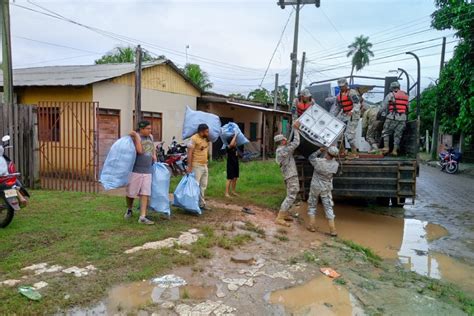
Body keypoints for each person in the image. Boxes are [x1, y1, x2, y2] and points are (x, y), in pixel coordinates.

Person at [124, 120, 157, 225]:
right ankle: (129, 209)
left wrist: (154, 155)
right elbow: (140, 151)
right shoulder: (134, 138)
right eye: (148, 128)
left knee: (145, 193)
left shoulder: (150, 137)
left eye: (150, 128)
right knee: (131, 193)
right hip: (135, 170)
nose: (150, 130)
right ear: (141, 129)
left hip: (147, 170)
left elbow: (152, 147)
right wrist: (137, 137)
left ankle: (142, 217)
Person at [306, 146, 340, 236]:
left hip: (315, 186)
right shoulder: (336, 165)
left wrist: (319, 150)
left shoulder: (319, 161)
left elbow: (310, 158)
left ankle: (312, 226)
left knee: (312, 205)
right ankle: (333, 230)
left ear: (327, 153)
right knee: (328, 207)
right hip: (326, 188)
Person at [274, 122, 300, 227]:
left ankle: (284, 214)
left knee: (291, 194)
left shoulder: (281, 150)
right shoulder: (283, 150)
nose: (287, 140)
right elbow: (296, 142)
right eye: (285, 139)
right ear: (283, 141)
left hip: (289, 175)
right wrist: (296, 129)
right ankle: (280, 217)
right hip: (290, 175)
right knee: (291, 195)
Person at [332, 78, 362, 159]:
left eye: (343, 86)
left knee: (349, 135)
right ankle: (342, 150)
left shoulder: (352, 92)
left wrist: (352, 111)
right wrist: (332, 117)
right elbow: (337, 108)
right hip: (344, 115)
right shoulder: (339, 96)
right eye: (340, 86)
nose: (342, 88)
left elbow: (357, 104)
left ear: (346, 84)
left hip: (353, 115)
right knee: (338, 134)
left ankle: (354, 153)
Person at [379, 81, 409, 156]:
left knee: (385, 132)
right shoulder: (406, 95)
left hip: (392, 117)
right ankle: (395, 151)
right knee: (398, 135)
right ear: (399, 87)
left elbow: (383, 107)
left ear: (392, 88)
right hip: (403, 118)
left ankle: (386, 148)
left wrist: (379, 114)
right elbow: (408, 108)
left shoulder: (391, 95)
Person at [186, 124, 210, 210]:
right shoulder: (193, 139)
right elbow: (189, 153)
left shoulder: (205, 139)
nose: (208, 133)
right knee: (196, 185)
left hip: (204, 165)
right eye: (206, 131)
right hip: (196, 165)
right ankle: (193, 204)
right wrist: (189, 166)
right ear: (201, 131)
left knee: (203, 185)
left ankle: (201, 204)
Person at [225, 133, 239, 198]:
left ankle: (233, 191)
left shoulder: (235, 147)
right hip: (230, 165)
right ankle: (226, 193)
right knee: (229, 179)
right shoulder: (228, 147)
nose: (235, 141)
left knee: (235, 178)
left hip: (236, 164)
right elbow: (231, 144)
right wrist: (235, 135)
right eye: (234, 141)